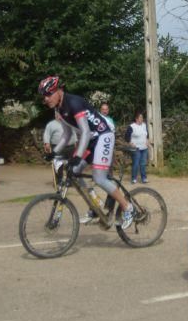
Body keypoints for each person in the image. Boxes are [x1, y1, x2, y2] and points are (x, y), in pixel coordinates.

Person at [38, 75, 134, 229]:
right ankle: (95, 206)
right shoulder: (59, 108)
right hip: (90, 139)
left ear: (58, 91)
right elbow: (67, 134)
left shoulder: (73, 103)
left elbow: (85, 131)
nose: (46, 99)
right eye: (44, 97)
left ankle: (128, 207)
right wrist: (54, 152)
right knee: (74, 171)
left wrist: (76, 155)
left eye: (48, 95)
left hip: (103, 136)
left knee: (99, 177)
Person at [125, 112, 149, 183]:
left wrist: (147, 141)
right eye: (140, 117)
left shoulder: (144, 125)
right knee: (136, 163)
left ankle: (144, 178)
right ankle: (134, 178)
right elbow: (126, 137)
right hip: (136, 148)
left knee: (143, 163)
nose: (142, 119)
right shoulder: (132, 126)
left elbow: (146, 135)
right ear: (136, 119)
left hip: (144, 148)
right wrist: (130, 143)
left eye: (142, 117)